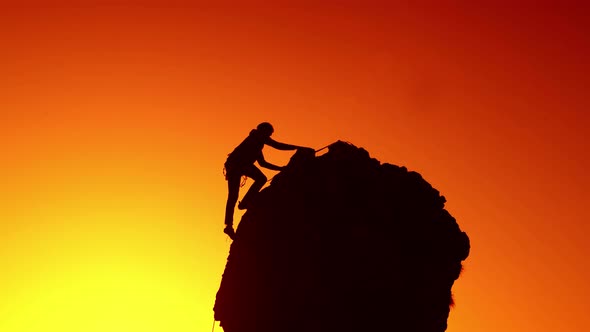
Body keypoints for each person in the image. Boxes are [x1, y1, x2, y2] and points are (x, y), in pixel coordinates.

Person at [223, 122, 307, 240]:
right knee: (233, 195)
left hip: (239, 166)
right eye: (268, 134)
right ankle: (230, 223)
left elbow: (263, 163)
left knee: (260, 179)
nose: (269, 137)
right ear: (263, 131)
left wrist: (281, 168)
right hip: (235, 166)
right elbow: (277, 145)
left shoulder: (257, 143)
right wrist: (298, 147)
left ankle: (243, 205)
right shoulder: (256, 136)